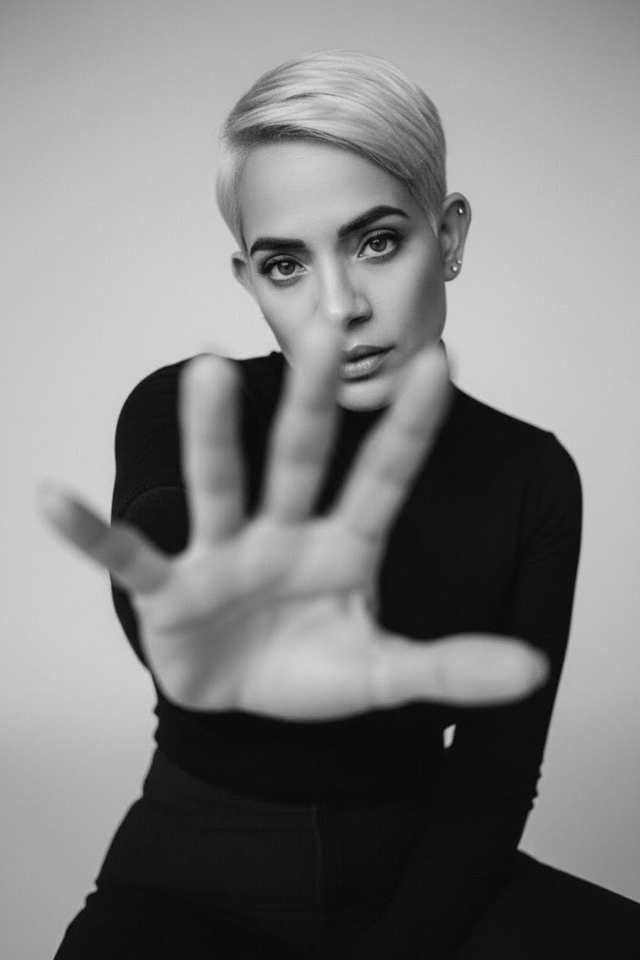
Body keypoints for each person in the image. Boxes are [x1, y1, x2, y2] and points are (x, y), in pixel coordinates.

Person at [41, 50, 640, 959]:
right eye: (286, 264)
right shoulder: (189, 407)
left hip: (419, 878)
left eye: (376, 242)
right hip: (190, 887)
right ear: (249, 280)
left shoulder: (533, 477)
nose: (338, 306)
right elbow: (163, 546)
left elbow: (491, 781)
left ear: (449, 236)